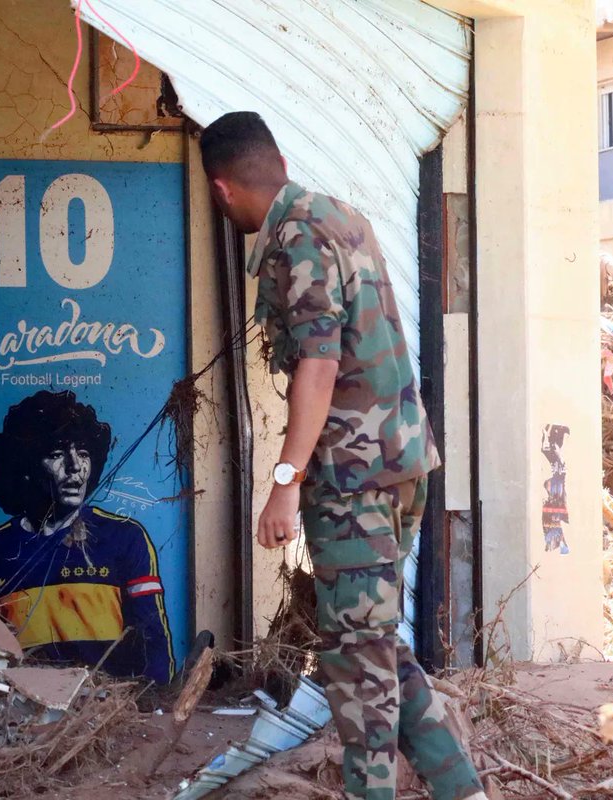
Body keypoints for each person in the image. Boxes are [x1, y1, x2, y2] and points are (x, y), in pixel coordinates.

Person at [199, 112, 486, 800]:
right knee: (375, 647)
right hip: (402, 462)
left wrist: (285, 482)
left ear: (221, 189)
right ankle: (463, 791)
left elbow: (319, 366)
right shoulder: (340, 216)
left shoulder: (292, 237)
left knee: (356, 671)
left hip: (352, 480)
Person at [0, 390, 176, 685]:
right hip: (20, 712)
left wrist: (154, 708)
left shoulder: (125, 538)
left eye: (84, 453)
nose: (75, 466)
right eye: (56, 454)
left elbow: (152, 643)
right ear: (26, 465)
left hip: (106, 713)